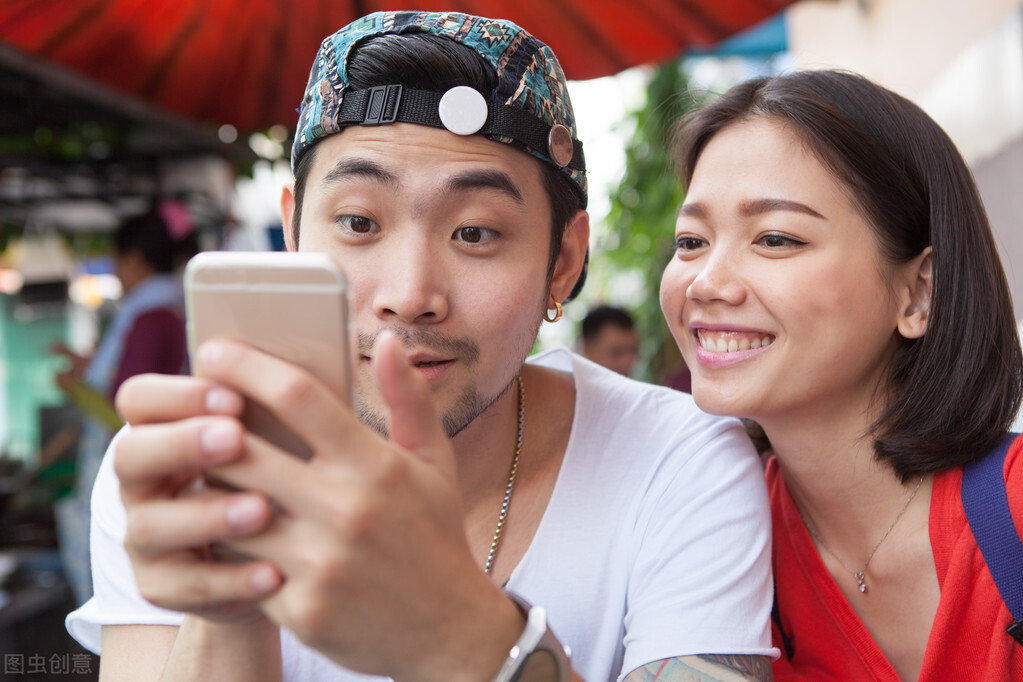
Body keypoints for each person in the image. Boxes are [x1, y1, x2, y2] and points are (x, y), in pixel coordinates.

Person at [65, 11, 775, 682]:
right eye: (357, 222)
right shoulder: (179, 467)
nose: (409, 294)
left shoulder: (675, 463)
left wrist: (465, 637)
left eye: (474, 232)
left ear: (563, 261)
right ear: (293, 233)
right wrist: (232, 597)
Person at [659, 69, 1023, 681]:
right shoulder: (707, 543)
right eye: (691, 241)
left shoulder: (1011, 512)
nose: (707, 283)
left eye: (775, 238)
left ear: (917, 294)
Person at [54, 202, 196, 605]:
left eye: (117, 261)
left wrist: (76, 387)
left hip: (127, 466)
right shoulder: (168, 311)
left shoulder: (146, 318)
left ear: (134, 259)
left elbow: (125, 410)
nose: (115, 272)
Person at [578, 305, 641, 376]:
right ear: (587, 349)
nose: (627, 361)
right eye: (616, 352)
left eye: (633, 350)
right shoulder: (566, 385)